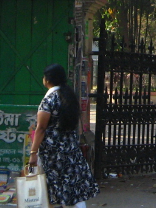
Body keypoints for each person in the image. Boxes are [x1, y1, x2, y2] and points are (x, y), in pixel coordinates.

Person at [29, 64, 99, 208]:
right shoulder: (69, 97)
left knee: (53, 188)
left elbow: (41, 128)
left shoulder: (49, 100)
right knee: (73, 187)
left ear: (48, 80)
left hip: (53, 153)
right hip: (70, 149)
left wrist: (33, 152)